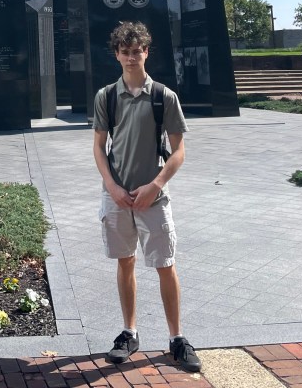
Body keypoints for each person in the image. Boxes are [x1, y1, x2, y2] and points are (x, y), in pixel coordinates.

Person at [92, 21, 200, 372]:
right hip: (117, 196)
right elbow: (98, 146)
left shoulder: (163, 97)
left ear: (146, 52)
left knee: (166, 265)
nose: (131, 57)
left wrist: (155, 185)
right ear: (116, 54)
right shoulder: (107, 96)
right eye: (125, 52)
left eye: (136, 51)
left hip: (152, 197)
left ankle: (177, 338)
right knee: (125, 262)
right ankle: (129, 332)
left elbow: (179, 151)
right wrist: (112, 186)